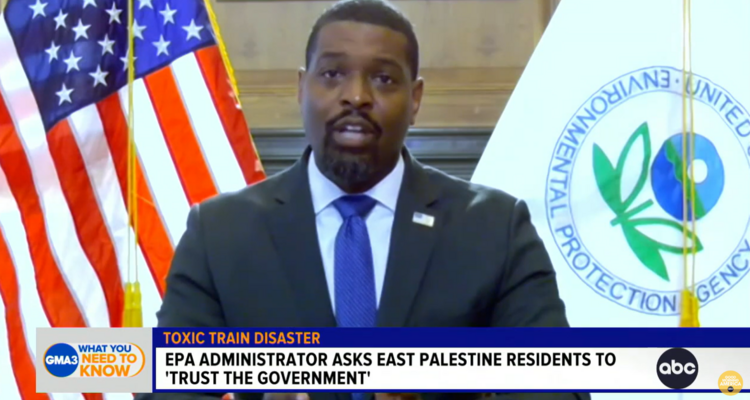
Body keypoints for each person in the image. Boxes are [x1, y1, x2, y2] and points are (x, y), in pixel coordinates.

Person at [136, 0, 589, 400]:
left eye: (384, 78)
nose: (356, 96)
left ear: (415, 99)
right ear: (301, 88)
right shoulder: (220, 233)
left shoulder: (494, 228)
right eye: (333, 74)